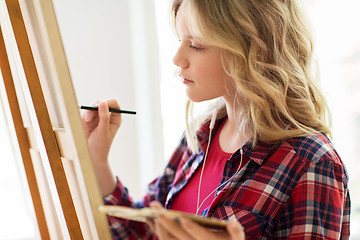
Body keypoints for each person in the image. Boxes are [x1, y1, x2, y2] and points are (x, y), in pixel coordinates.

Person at [82, 0, 351, 239]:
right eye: (180, 40)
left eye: (196, 45)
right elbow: (144, 231)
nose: (177, 59)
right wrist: (97, 160)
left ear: (253, 50)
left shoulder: (312, 162)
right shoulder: (201, 135)